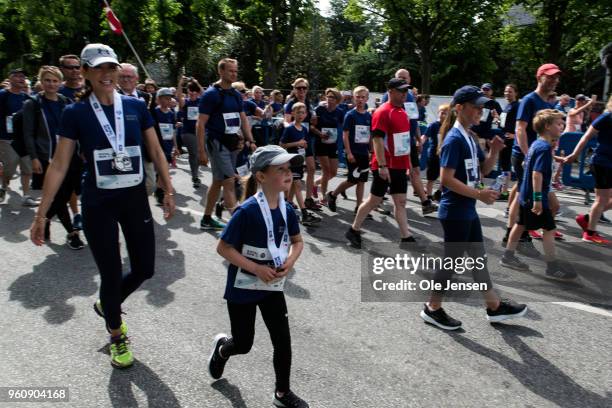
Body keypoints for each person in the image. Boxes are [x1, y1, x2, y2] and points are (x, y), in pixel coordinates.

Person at [30, 44, 176, 368]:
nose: (106, 74)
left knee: (145, 268)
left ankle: (108, 304)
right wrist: (41, 214)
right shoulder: (76, 113)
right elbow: (58, 164)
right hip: (99, 203)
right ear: (85, 73)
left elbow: (156, 150)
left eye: (111, 68)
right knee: (110, 275)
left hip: (134, 199)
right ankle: (116, 334)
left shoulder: (137, 106)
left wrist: (168, 188)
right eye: (98, 69)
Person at [208, 145, 309, 408]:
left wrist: (289, 261)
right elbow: (223, 248)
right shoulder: (247, 211)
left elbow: (298, 242)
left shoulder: (287, 210)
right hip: (243, 287)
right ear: (261, 176)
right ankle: (222, 349)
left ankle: (282, 393)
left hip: (272, 286)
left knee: (283, 342)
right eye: (281, 170)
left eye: (290, 169)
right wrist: (256, 268)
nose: (289, 175)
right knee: (243, 343)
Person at [420, 85, 527, 330]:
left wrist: (494, 152)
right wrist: (479, 194)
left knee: (478, 259)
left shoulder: (469, 136)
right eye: (476, 106)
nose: (481, 111)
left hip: (466, 209)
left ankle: (494, 307)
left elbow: (482, 171)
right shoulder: (455, 139)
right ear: (459, 108)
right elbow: (446, 179)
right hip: (455, 211)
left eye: (482, 107)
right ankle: (432, 308)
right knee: (451, 264)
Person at [345, 78, 423, 249]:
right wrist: (382, 166)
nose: (405, 94)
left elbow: (404, 141)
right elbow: (378, 140)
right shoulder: (383, 112)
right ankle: (354, 229)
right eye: (401, 91)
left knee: (400, 201)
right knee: (374, 200)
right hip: (385, 166)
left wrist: (408, 162)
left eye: (406, 91)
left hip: (400, 165)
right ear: (391, 91)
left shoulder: (402, 111)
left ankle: (406, 237)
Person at [501, 109, 577, 280]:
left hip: (525, 195)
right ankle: (552, 267)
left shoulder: (536, 144)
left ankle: (508, 255)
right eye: (558, 123)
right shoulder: (543, 147)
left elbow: (524, 162)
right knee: (549, 229)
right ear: (548, 126)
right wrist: (538, 200)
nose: (562, 125)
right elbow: (537, 174)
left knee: (520, 225)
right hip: (535, 197)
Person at [22, 65, 84, 249]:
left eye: (55, 80)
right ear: (41, 82)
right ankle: (72, 234)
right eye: (47, 80)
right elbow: (28, 134)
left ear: (60, 82)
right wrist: (33, 157)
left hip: (69, 155)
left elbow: (75, 129)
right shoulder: (32, 104)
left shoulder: (65, 101)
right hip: (46, 157)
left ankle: (46, 218)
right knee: (58, 195)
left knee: (64, 194)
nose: (51, 84)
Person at [502, 63, 561, 255]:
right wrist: (528, 156)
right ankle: (516, 235)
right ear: (539, 78)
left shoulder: (547, 104)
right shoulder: (529, 100)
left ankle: (518, 234)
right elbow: (520, 128)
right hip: (524, 155)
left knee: (522, 194)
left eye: (556, 77)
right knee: (523, 197)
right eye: (550, 76)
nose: (554, 80)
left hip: (535, 154)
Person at [197, 58, 257, 230]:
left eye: (235, 71)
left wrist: (250, 140)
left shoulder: (236, 95)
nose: (234, 74)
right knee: (229, 182)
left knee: (218, 181)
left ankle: (207, 219)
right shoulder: (211, 94)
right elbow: (200, 123)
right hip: (217, 144)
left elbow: (243, 119)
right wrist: (201, 151)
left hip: (233, 144)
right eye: (230, 70)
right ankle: (238, 225)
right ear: (221, 72)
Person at [382, 69, 437, 215]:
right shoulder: (387, 96)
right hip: (394, 142)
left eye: (405, 78)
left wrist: (418, 139)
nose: (403, 80)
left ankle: (425, 203)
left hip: (409, 140)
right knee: (391, 174)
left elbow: (414, 120)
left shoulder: (411, 97)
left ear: (410, 79)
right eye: (399, 78)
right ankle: (377, 199)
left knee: (415, 170)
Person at [565, 95, 612, 245]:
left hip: (609, 164)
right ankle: (589, 233)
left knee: (607, 199)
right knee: (601, 199)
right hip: (602, 162)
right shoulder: (606, 116)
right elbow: (585, 137)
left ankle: (586, 219)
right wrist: (574, 154)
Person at [326, 86, 372, 213]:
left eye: (363, 97)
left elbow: (370, 135)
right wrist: (349, 152)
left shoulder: (369, 116)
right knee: (352, 179)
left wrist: (371, 151)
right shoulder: (350, 115)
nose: (360, 100)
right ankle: (333, 195)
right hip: (353, 152)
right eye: (358, 97)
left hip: (364, 153)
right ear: (353, 98)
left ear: (367, 99)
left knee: (362, 180)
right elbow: (345, 135)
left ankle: (359, 207)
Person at [279, 102, 321, 226]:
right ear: (293, 113)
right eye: (298, 112)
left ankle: (285, 207)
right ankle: (304, 214)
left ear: (306, 114)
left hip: (299, 161)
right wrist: (297, 143)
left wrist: (305, 148)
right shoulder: (289, 128)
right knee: (297, 185)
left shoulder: (304, 129)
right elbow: (282, 144)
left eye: (303, 112)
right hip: (290, 161)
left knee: (292, 186)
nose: (301, 115)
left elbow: (305, 144)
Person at [284, 78, 319, 211]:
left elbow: (311, 123)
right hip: (294, 141)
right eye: (299, 88)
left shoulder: (309, 103)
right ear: (294, 89)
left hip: (306, 140)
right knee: (293, 173)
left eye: (304, 88)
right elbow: (286, 121)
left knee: (311, 168)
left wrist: (314, 123)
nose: (302, 90)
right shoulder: (290, 104)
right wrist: (293, 128)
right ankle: (288, 201)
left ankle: (308, 199)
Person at [0, 68, 34, 205]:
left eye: (23, 76)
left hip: (24, 139)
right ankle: (4, 185)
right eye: (17, 76)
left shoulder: (26, 98)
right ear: (10, 78)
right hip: (6, 138)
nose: (21, 79)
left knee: (27, 168)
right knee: (10, 168)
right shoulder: (2, 95)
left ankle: (26, 196)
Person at [312, 88, 344, 205]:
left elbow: (344, 128)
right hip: (320, 143)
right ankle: (323, 196)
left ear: (337, 100)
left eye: (333, 97)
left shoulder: (340, 112)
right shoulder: (320, 109)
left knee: (333, 172)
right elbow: (311, 126)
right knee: (326, 171)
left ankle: (315, 184)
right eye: (328, 96)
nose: (330, 99)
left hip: (333, 144)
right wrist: (320, 134)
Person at [176, 76, 204, 188]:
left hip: (200, 132)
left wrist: (196, 82)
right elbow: (179, 97)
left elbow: (205, 94)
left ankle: (195, 173)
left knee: (197, 155)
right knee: (194, 154)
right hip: (187, 132)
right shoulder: (185, 102)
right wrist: (180, 84)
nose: (192, 93)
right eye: (190, 91)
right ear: (187, 92)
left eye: (194, 91)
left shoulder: (200, 101)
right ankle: (195, 176)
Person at [421, 104, 450, 201]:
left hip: (445, 155)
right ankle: (428, 197)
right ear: (438, 113)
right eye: (442, 113)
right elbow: (425, 136)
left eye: (446, 114)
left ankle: (438, 193)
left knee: (445, 177)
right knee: (431, 178)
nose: (443, 115)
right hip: (434, 154)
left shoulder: (449, 126)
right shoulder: (433, 125)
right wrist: (419, 143)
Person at [498, 84, 520, 203]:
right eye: (506, 91)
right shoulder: (508, 106)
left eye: (510, 91)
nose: (507, 93)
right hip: (504, 138)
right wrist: (497, 119)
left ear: (516, 93)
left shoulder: (517, 106)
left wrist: (515, 135)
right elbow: (503, 124)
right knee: (504, 165)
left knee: (506, 165)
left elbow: (520, 124)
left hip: (511, 141)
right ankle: (504, 190)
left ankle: (505, 192)